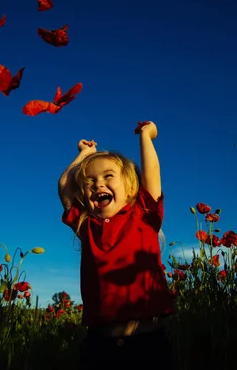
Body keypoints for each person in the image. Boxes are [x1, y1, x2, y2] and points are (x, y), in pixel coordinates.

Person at [58, 121, 175, 369]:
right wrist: (85, 153)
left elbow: (152, 172)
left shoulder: (143, 214)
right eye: (89, 182)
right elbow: (64, 187)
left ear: (130, 186)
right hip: (100, 345)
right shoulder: (87, 226)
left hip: (147, 343)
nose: (98, 184)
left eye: (108, 176)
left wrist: (146, 135)